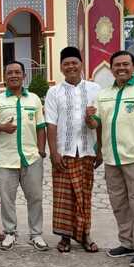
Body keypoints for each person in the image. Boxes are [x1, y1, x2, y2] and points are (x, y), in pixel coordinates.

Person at [87, 50, 134, 267]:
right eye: (117, 65)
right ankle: (127, 242)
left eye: (125, 64)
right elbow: (97, 124)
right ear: (111, 69)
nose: (121, 68)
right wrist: (89, 118)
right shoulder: (104, 94)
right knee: (119, 205)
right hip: (112, 160)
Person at [0, 60, 48, 251]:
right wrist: (3, 127)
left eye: (17, 72)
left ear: (23, 75)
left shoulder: (34, 99)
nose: (13, 75)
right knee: (7, 199)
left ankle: (36, 234)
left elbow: (41, 126)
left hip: (31, 157)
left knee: (35, 197)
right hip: (6, 160)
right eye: (9, 72)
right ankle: (10, 233)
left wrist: (41, 151)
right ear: (4, 77)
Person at [44, 47, 102, 253]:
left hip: (87, 150)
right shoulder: (54, 92)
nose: (71, 67)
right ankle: (65, 237)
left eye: (74, 63)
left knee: (84, 195)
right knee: (64, 197)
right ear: (61, 67)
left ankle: (85, 235)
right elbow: (50, 123)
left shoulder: (95, 89)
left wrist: (100, 149)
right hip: (64, 151)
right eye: (66, 64)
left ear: (81, 64)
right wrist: (53, 153)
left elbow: (100, 122)